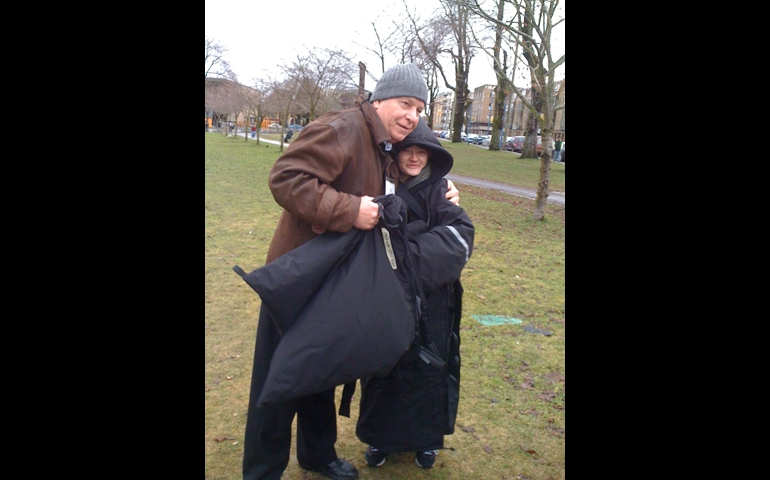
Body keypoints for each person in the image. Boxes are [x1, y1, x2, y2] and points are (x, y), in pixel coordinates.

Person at [242, 63, 459, 480]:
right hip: (298, 280)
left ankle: (318, 455)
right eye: (404, 104)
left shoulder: (383, 145)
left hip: (335, 284)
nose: (412, 115)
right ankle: (262, 469)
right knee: (276, 384)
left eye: (418, 108)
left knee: (321, 370)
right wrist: (349, 209)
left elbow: (406, 178)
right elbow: (287, 177)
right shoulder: (342, 128)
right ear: (378, 100)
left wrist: (440, 184)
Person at [356, 117, 474, 470]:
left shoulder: (441, 190)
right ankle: (380, 439)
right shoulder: (381, 186)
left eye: (423, 152)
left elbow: (458, 234)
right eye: (409, 150)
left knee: (429, 368)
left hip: (433, 299)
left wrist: (406, 253)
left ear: (430, 157)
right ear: (398, 153)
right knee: (384, 366)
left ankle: (426, 440)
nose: (415, 158)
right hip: (386, 295)